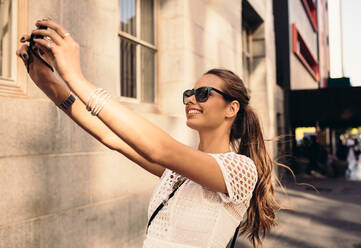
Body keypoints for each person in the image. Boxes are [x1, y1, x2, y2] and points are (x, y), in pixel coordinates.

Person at [16, 18, 289, 248]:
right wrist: (49, 82)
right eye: (190, 94)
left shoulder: (240, 169)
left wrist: (76, 77)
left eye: (203, 94)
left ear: (231, 108)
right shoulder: (179, 171)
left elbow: (159, 149)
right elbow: (111, 137)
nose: (192, 100)